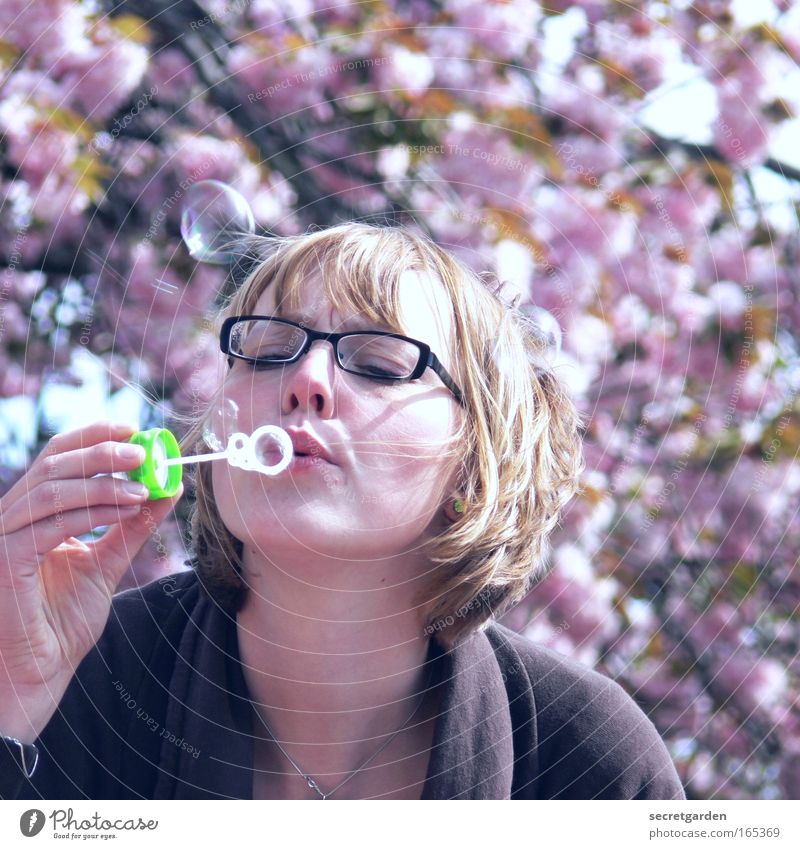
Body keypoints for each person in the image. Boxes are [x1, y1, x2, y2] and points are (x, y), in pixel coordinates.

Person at [0, 222, 685, 800]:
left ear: (476, 459)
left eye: (380, 364)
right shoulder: (85, 677)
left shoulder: (585, 760)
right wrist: (13, 695)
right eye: (265, 351)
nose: (304, 383)